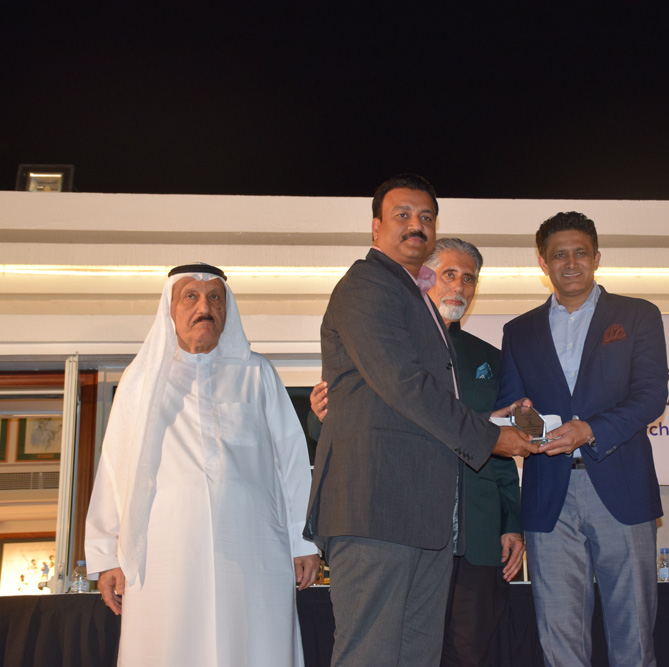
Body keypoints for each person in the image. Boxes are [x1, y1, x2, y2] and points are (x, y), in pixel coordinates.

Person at [305, 175, 536, 667]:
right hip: (376, 509)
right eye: (403, 215)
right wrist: (491, 437)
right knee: (370, 655)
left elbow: (417, 403)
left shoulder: (416, 300)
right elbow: (403, 383)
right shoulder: (367, 285)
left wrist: (489, 424)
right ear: (376, 228)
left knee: (417, 657)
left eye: (426, 217)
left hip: (427, 519)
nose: (417, 225)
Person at [85, 263, 319, 666]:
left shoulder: (257, 374)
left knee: (255, 646)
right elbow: (114, 468)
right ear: (170, 308)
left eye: (214, 297)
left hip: (253, 549)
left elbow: (293, 460)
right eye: (190, 296)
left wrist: (304, 541)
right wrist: (106, 555)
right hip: (164, 555)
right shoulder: (140, 381)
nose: (204, 307)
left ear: (228, 310)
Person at [494, 211, 668, 666]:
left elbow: (651, 395)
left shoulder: (637, 315)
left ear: (596, 257)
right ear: (543, 262)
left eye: (580, 253)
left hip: (621, 486)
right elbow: (513, 404)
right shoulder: (519, 330)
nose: (570, 263)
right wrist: (529, 422)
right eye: (559, 255)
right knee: (559, 638)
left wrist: (589, 430)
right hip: (547, 493)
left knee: (634, 635)